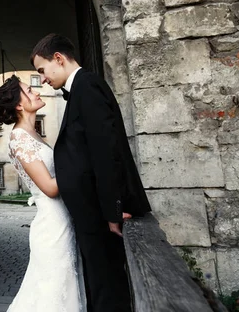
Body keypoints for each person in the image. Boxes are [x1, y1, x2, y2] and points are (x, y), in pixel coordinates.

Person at [31, 33, 151, 312]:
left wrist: (113, 211)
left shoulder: (88, 87)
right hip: (94, 215)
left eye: (42, 71)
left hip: (102, 216)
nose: (43, 79)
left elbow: (106, 152)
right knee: (99, 286)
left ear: (58, 59)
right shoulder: (81, 89)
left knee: (107, 290)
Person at [0, 75, 86, 312]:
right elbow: (50, 188)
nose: (38, 92)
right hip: (52, 226)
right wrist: (81, 161)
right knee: (52, 294)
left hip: (63, 220)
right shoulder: (19, 138)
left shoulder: (33, 134)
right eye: (30, 90)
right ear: (19, 105)